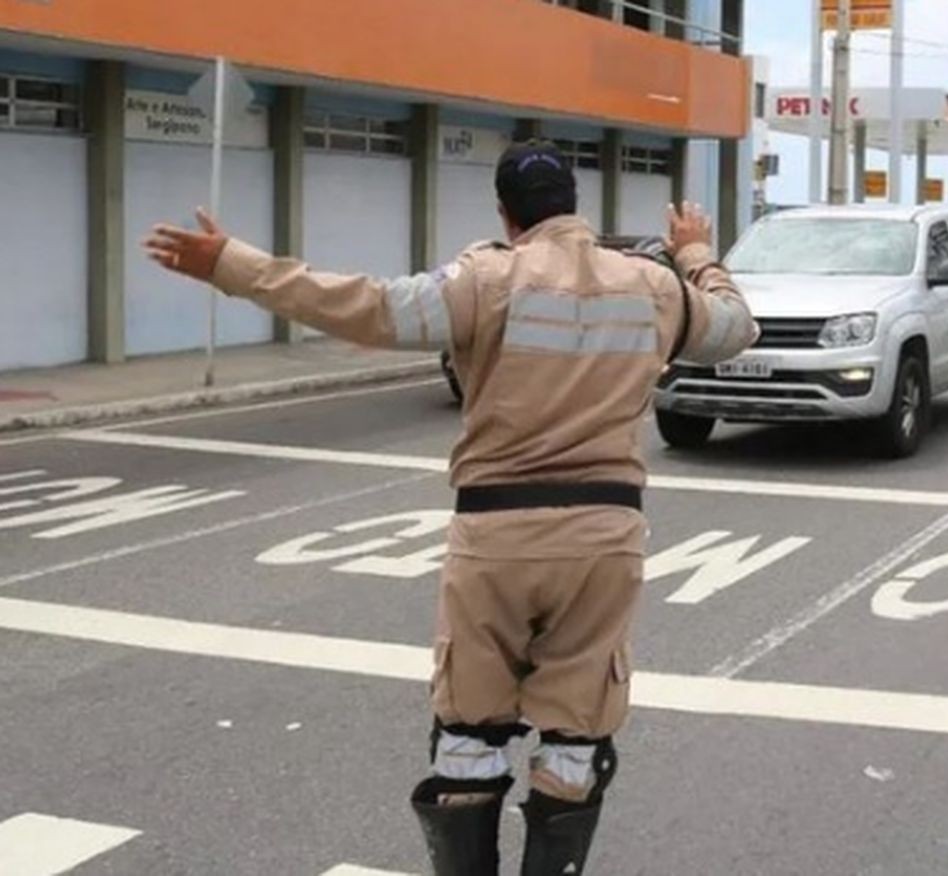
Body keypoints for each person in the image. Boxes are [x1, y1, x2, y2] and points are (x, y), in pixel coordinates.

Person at [143, 140, 759, 875]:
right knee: (576, 739)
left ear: (505, 213)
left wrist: (232, 264)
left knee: (468, 732)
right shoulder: (653, 287)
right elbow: (735, 329)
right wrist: (695, 255)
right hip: (604, 540)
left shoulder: (486, 279)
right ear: (572, 205)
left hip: (494, 536)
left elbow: (367, 308)